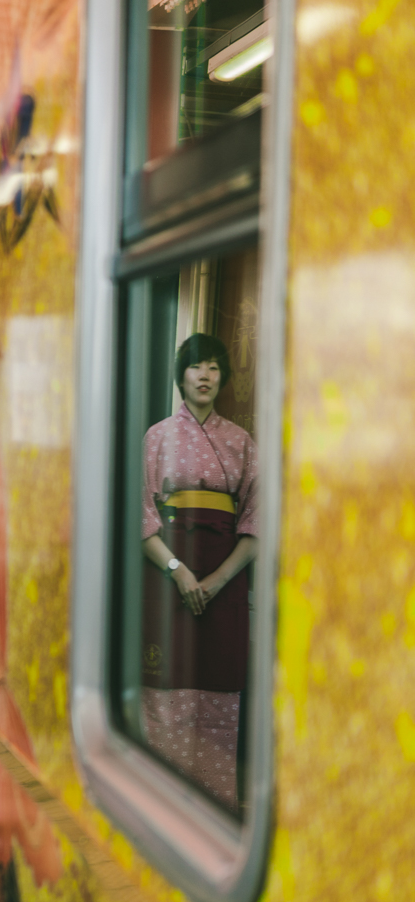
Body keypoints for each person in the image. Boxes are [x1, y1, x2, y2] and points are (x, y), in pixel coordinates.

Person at [139, 332, 258, 810]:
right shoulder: (157, 437)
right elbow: (141, 518)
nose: (204, 375)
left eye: (213, 367)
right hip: (169, 579)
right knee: (165, 688)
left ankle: (211, 808)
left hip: (224, 583)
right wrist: (180, 572)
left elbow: (256, 523)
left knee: (217, 694)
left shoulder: (242, 442)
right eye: (195, 366)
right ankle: (160, 803)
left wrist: (215, 581)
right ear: (180, 376)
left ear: (222, 378)